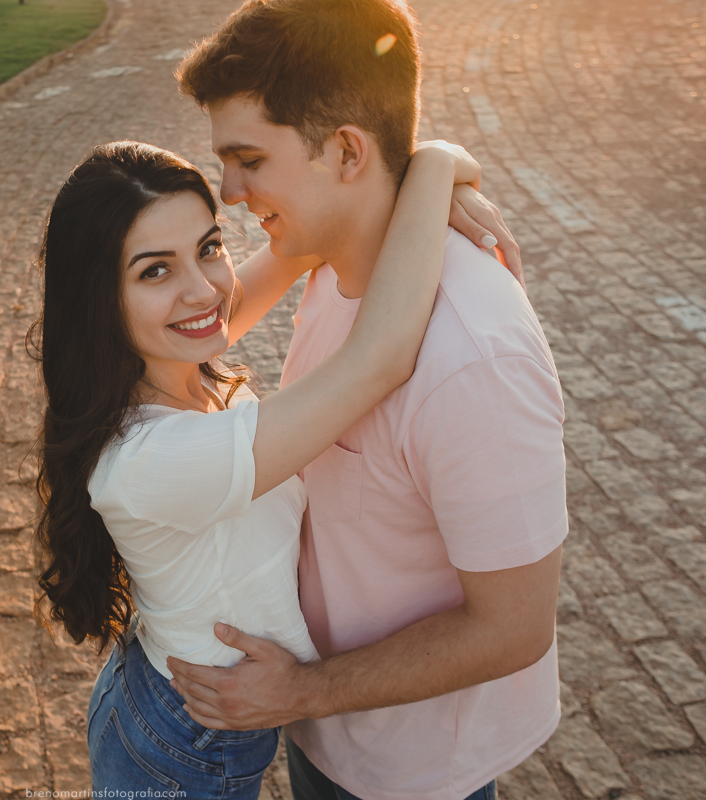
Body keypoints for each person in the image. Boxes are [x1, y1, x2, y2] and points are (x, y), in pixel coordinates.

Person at [166, 2, 567, 800]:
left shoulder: (472, 357)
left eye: (248, 158)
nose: (229, 192)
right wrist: (441, 161)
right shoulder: (328, 257)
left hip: (408, 768)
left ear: (346, 151)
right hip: (324, 727)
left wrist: (303, 692)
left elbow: (515, 627)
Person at [29, 138, 513, 799]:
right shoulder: (157, 459)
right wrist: (434, 165)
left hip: (165, 689)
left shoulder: (173, 362)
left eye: (208, 247)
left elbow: (301, 244)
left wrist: (435, 175)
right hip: (182, 749)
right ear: (98, 301)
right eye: (153, 272)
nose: (204, 291)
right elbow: (384, 355)